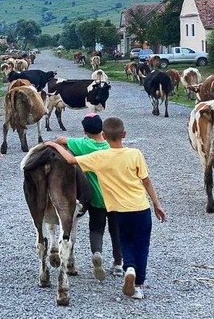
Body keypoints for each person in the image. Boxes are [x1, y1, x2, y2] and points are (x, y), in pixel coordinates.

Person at [44, 117, 167, 300]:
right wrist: (156, 204)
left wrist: (52, 145)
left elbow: (70, 160)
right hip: (142, 208)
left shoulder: (99, 157)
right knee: (142, 244)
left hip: (119, 210)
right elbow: (146, 181)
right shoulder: (135, 154)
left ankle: (129, 267)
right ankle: (137, 283)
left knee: (125, 240)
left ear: (105, 135)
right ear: (124, 135)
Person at [54, 113, 122, 281]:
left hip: (97, 199)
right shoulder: (111, 146)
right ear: (103, 130)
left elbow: (62, 140)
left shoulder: (83, 145)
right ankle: (119, 264)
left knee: (96, 228)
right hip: (116, 198)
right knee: (116, 230)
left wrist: (53, 143)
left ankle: (97, 253)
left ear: (84, 130)